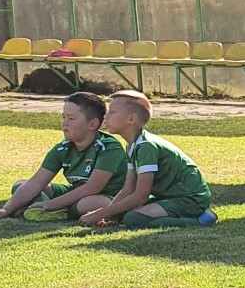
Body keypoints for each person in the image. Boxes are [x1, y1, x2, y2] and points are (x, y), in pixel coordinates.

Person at [79, 90, 216, 229]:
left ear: (131, 119)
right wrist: (105, 215)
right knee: (122, 211)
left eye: (112, 112)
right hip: (169, 197)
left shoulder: (146, 146)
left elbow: (141, 196)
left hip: (190, 200)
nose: (105, 116)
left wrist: (98, 214)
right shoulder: (132, 145)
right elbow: (128, 189)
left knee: (134, 219)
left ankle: (200, 220)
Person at [0, 92, 126, 221]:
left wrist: (51, 204)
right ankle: (41, 208)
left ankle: (56, 210)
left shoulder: (108, 147)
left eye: (71, 118)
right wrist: (5, 210)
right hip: (75, 192)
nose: (65, 123)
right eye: (64, 117)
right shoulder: (62, 148)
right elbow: (36, 182)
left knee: (88, 204)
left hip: (107, 196)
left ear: (93, 124)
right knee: (21, 185)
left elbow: (92, 188)